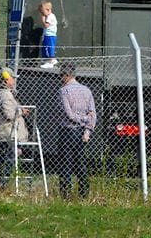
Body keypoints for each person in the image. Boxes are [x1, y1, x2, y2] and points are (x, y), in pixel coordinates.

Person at [57, 61, 96, 199]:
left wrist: (82, 119)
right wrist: (87, 131)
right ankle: (83, 194)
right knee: (81, 163)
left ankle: (65, 194)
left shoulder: (64, 91)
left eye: (61, 75)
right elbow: (93, 114)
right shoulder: (87, 90)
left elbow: (69, 114)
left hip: (67, 131)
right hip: (81, 133)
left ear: (66, 75)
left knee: (65, 163)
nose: (61, 78)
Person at [38, 0, 58, 68]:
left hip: (50, 36)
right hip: (48, 35)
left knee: (48, 48)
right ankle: (50, 60)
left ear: (48, 9)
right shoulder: (50, 16)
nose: (42, 14)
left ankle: (50, 61)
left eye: (42, 12)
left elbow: (46, 25)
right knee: (45, 48)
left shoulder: (50, 16)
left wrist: (43, 19)